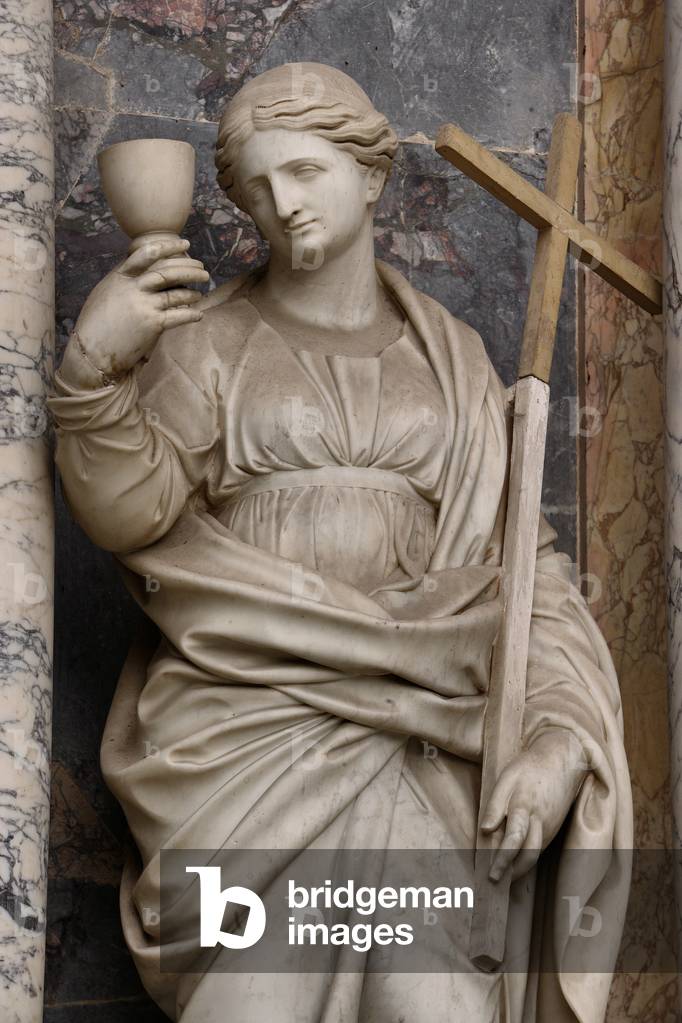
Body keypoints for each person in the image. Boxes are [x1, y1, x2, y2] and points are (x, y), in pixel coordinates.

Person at [49, 62, 632, 1023]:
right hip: (251, 734)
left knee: (436, 1003)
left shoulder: (455, 361)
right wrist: (93, 372)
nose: (283, 204)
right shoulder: (206, 343)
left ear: (371, 174)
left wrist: (562, 738)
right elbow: (130, 512)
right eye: (258, 187)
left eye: (306, 172)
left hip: (423, 733)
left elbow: (527, 577)